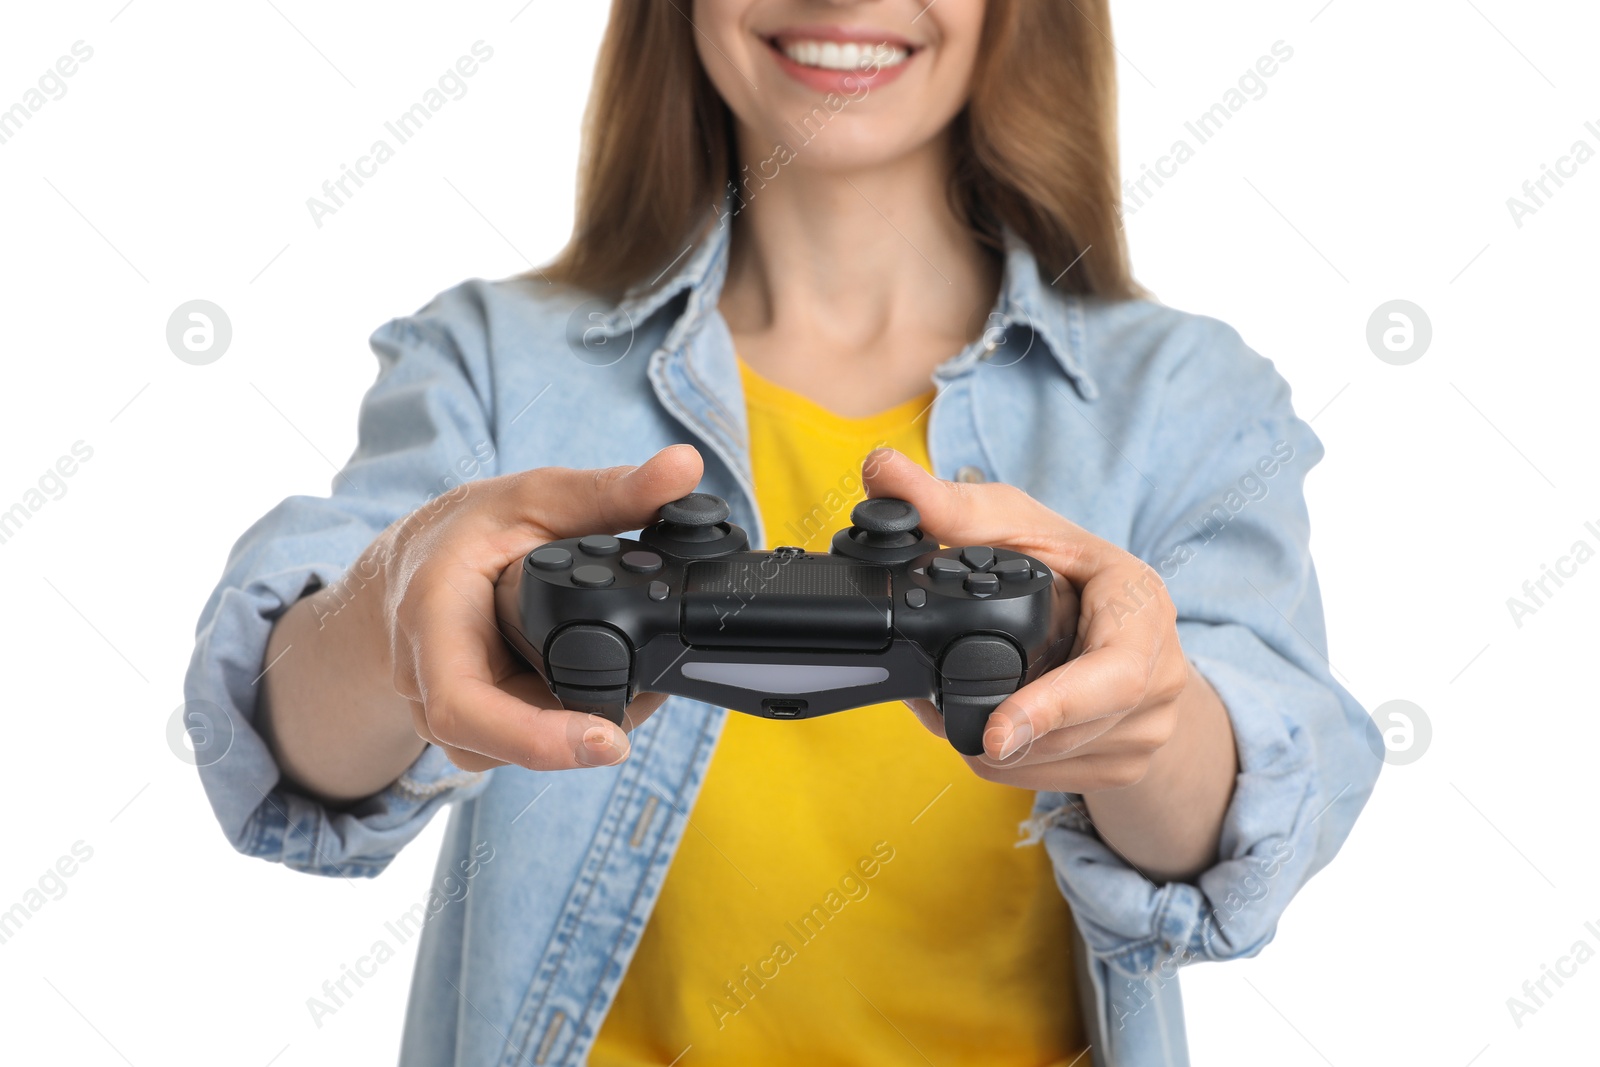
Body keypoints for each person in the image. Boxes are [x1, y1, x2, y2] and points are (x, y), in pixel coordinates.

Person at [186, 2, 1380, 1064]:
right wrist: (397, 606)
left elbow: (1255, 820)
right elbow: (287, 750)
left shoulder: (1184, 397)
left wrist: (1151, 716)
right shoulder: (497, 363)